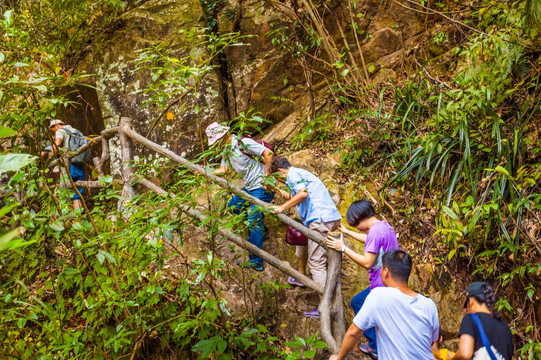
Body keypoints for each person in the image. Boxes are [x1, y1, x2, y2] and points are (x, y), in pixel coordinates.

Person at [329, 249, 440, 360]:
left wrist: (339, 357)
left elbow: (353, 333)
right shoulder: (429, 305)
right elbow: (432, 340)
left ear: (386, 272)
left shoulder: (378, 296)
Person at [268, 155, 341, 318]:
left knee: (316, 262)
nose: (280, 182)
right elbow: (295, 195)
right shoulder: (299, 174)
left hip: (319, 219)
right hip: (327, 217)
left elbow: (303, 194)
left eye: (277, 178)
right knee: (306, 245)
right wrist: (276, 190)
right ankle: (301, 277)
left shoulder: (292, 174)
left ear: (280, 171)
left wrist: (281, 208)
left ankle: (324, 308)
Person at [326, 199, 398, 359]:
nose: (356, 228)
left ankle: (376, 346)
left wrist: (342, 248)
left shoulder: (375, 231)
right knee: (360, 302)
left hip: (381, 286)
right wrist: (349, 233)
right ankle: (378, 344)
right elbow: (371, 240)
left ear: (360, 218)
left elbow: (367, 262)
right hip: (392, 282)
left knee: (357, 302)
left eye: (354, 225)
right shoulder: (383, 226)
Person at [205, 122, 274, 272]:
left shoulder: (243, 143)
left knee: (253, 220)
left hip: (261, 186)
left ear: (222, 137)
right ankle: (261, 231)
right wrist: (206, 172)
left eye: (216, 141)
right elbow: (225, 169)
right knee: (234, 207)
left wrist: (267, 178)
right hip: (250, 187)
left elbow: (268, 153)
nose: (215, 145)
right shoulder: (226, 150)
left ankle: (256, 261)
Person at [450, 282, 513, 360]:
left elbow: (465, 353)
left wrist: (452, 358)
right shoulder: (505, 326)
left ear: (471, 300)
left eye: (467, 306)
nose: (468, 310)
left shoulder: (471, 319)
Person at [49, 119, 85, 209]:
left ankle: (65, 220)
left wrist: (50, 157)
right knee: (77, 194)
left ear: (56, 125)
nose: (54, 132)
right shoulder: (77, 131)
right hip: (80, 162)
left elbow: (57, 143)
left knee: (64, 192)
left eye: (53, 130)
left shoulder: (60, 131)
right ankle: (78, 219)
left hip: (69, 164)